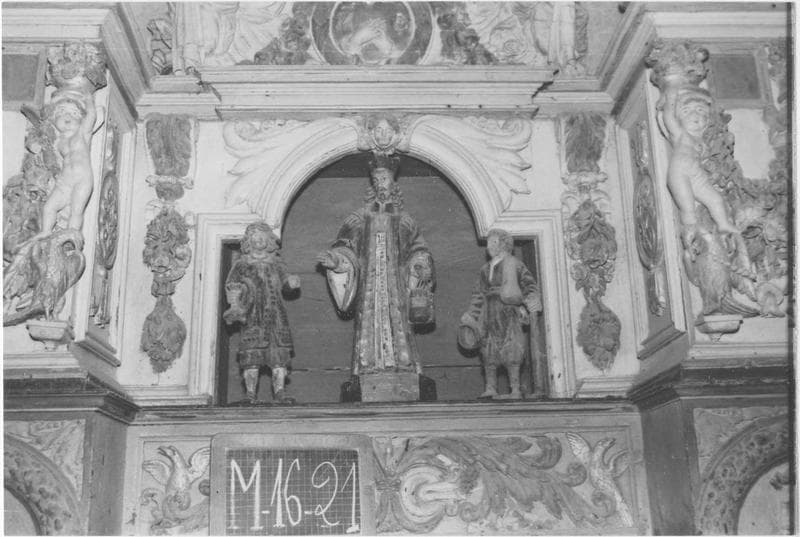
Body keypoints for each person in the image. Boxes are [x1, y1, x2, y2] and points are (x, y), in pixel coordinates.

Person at [317, 156, 435, 396]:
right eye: (377, 179)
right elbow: (345, 246)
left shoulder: (406, 220)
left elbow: (418, 249)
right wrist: (338, 262)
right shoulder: (358, 218)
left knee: (399, 324)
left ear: (393, 183)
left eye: (385, 179)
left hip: (396, 287)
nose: (382, 183)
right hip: (370, 287)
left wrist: (420, 264)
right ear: (372, 184)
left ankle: (404, 367)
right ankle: (367, 368)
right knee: (369, 324)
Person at [459, 228, 542, 400]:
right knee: (487, 349)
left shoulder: (515, 264)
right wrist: (472, 314)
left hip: (508, 312)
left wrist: (530, 300)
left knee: (512, 348)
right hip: (488, 313)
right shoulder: (485, 269)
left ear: (504, 244)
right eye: (488, 243)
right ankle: (491, 388)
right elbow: (478, 295)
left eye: (493, 242)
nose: (488, 246)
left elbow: (529, 285)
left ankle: (515, 389)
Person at [223, 222, 300, 403]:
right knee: (251, 355)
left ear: (269, 240)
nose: (258, 240)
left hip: (276, 315)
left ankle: (279, 392)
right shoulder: (242, 264)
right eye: (254, 237)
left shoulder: (276, 263)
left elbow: (286, 284)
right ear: (248, 242)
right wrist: (236, 299)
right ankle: (250, 394)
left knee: (279, 356)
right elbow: (231, 284)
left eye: (262, 236)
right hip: (253, 315)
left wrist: (291, 283)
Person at [659, 84, 739, 242]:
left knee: (716, 199)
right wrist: (671, 99)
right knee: (688, 209)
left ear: (707, 121)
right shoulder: (680, 135)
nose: (695, 116)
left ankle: (723, 224)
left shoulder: (702, 142)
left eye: (701, 113)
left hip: (697, 174)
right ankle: (691, 236)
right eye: (687, 112)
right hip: (679, 173)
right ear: (680, 119)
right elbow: (668, 118)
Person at [33, 92, 97, 240]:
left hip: (82, 179)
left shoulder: (82, 133)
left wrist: (88, 100)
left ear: (80, 120)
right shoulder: (58, 141)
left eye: (73, 114)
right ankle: (46, 231)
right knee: (49, 207)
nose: (67, 117)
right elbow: (50, 158)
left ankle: (71, 235)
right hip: (64, 181)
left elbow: (91, 115)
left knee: (76, 210)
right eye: (61, 113)